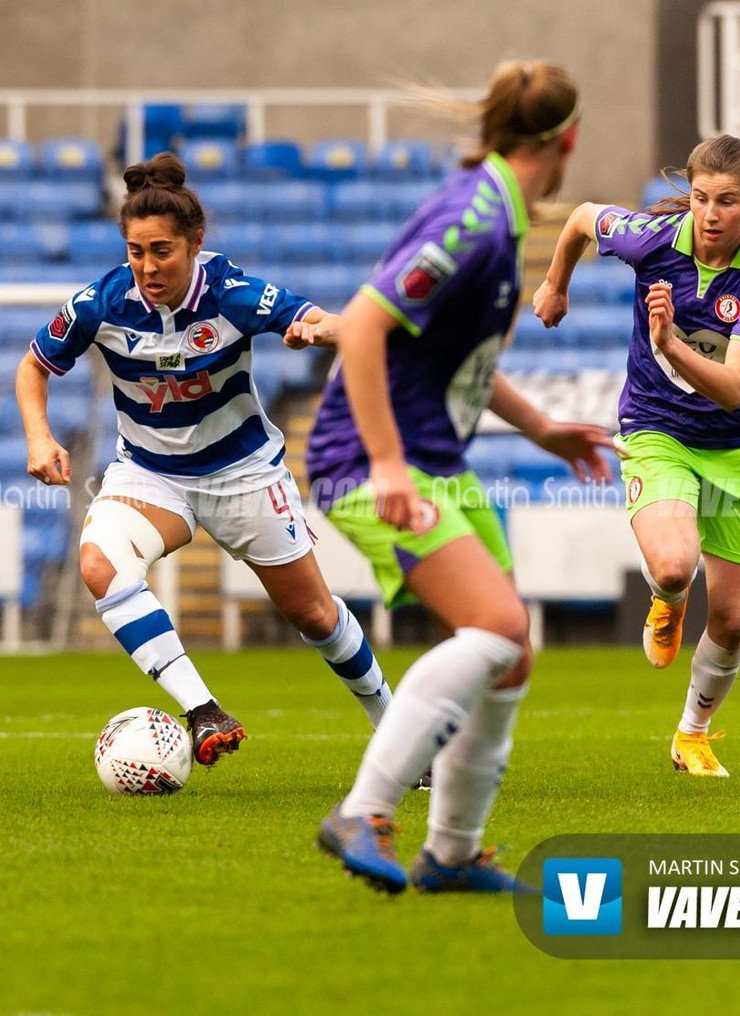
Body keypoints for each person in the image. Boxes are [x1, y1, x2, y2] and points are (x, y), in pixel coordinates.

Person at [299, 60, 611, 894]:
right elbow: (363, 326)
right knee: (499, 623)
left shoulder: (500, 213)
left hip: (437, 456)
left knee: (510, 655)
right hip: (371, 458)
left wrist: (540, 425)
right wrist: (389, 463)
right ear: (569, 137)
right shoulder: (475, 219)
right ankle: (364, 810)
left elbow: (444, 356)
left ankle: (453, 853)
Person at [15, 152, 393, 769]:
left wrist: (315, 332)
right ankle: (203, 711)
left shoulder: (233, 293)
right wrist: (39, 436)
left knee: (315, 615)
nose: (147, 267)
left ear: (195, 242)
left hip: (243, 473)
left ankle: (396, 729)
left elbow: (323, 320)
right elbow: (33, 365)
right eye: (136, 252)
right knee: (100, 566)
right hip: (149, 474)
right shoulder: (101, 303)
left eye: (161, 251)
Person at [533, 134, 740, 779]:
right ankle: (667, 598)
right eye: (701, 197)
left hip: (738, 447)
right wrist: (554, 285)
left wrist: (670, 344)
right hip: (656, 431)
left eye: (727, 202)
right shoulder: (652, 237)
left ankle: (692, 736)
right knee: (675, 568)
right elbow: (582, 217)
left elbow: (733, 391)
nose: (709, 214)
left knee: (731, 621)